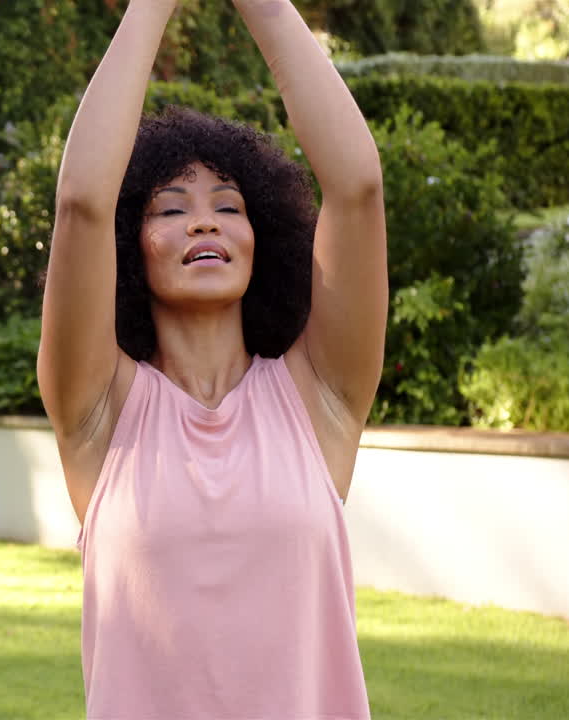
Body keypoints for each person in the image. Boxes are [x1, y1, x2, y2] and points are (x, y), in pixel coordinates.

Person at [37, 0, 387, 717]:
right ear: (131, 251)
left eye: (229, 206)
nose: (203, 219)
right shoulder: (98, 412)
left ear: (263, 242)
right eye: (169, 209)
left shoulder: (319, 397)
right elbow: (80, 204)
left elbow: (356, 190)